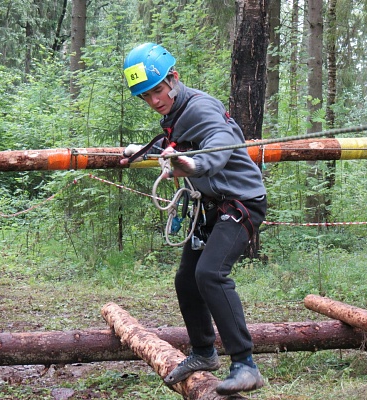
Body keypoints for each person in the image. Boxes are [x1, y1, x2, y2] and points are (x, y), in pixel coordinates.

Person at [120, 43, 267, 395]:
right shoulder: (175, 114)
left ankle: (246, 365)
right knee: (187, 280)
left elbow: (218, 141)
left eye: (158, 90)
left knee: (210, 275)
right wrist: (143, 153)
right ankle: (203, 352)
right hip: (213, 206)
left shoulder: (200, 108)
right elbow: (181, 146)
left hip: (242, 202)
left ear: (174, 78)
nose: (154, 100)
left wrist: (195, 165)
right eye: (145, 95)